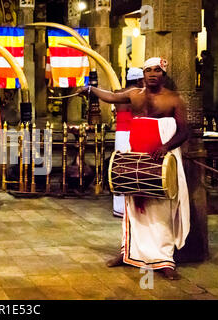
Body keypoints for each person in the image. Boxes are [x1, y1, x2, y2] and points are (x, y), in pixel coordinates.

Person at [77, 57, 190, 280]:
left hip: (160, 156)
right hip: (136, 154)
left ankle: (164, 260)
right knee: (133, 203)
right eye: (148, 70)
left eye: (157, 70)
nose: (152, 74)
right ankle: (128, 253)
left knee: (161, 208)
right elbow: (110, 96)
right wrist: (89, 89)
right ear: (143, 75)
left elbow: (185, 131)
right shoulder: (133, 94)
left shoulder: (174, 99)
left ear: (163, 74)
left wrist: (166, 147)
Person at [112, 68, 144, 218]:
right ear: (139, 80)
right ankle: (129, 207)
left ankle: (118, 207)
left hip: (119, 134)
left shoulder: (118, 92)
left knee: (120, 167)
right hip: (133, 133)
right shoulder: (138, 94)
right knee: (133, 167)